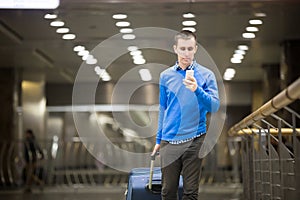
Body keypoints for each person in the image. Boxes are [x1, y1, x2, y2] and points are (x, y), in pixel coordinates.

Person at [152, 30, 220, 200]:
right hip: (169, 140)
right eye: (182, 48)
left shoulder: (206, 75)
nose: (186, 53)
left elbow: (215, 106)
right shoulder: (165, 76)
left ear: (195, 49)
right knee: (168, 191)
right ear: (175, 49)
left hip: (195, 139)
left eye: (190, 48)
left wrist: (197, 90)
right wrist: (159, 140)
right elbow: (163, 108)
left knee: (190, 192)